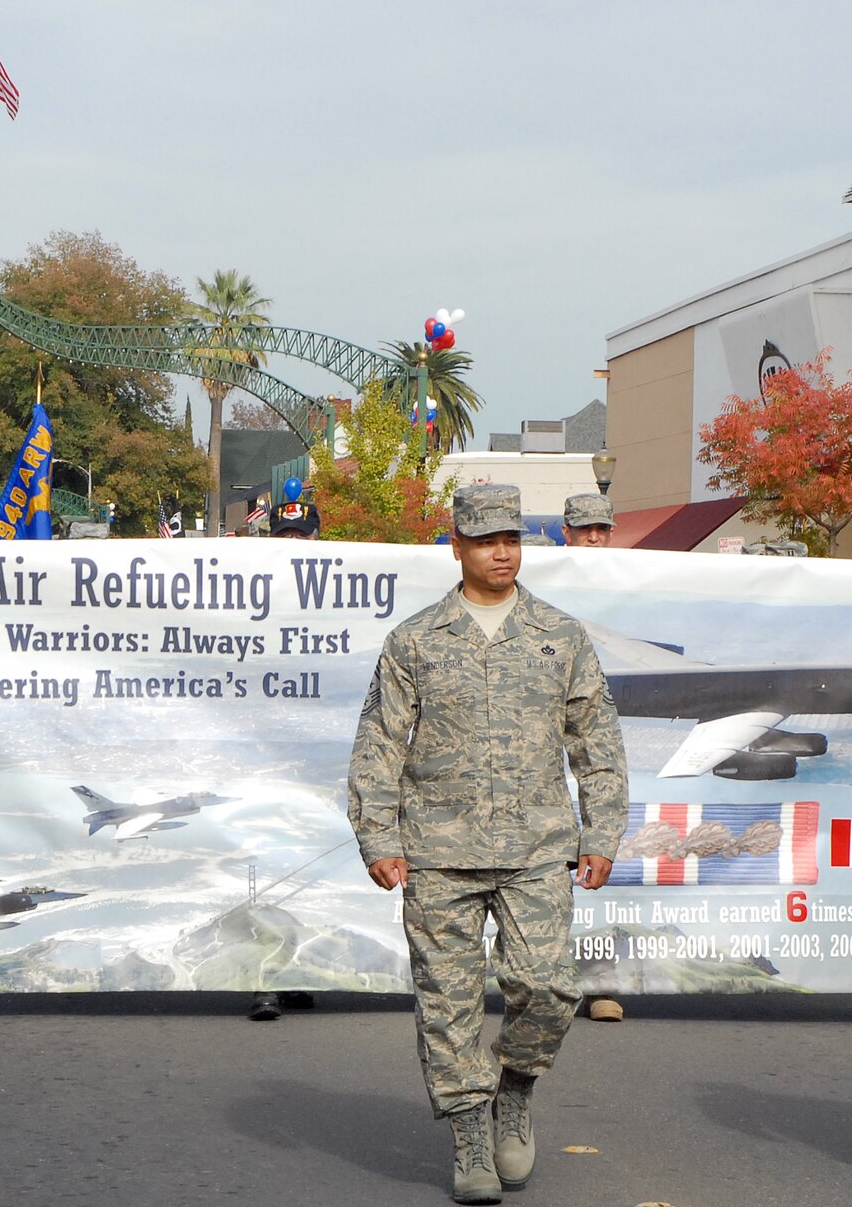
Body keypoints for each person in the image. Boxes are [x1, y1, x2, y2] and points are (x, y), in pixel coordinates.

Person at [347, 485, 629, 1204]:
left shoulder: (559, 635)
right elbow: (379, 747)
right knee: (447, 1003)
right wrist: (377, 836)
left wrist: (601, 831)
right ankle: (471, 1134)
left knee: (548, 987)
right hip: (438, 850)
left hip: (537, 848)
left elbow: (596, 743)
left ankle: (515, 1087)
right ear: (458, 547)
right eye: (485, 540)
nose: (501, 552)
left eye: (511, 538)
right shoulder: (414, 640)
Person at [245, 496, 323, 1022]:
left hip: (316, 757)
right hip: (265, 754)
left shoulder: (337, 597)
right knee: (265, 864)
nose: (292, 547)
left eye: (301, 538)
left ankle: (299, 973)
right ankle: (266, 981)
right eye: (284, 538)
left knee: (308, 867)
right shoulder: (250, 599)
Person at [557, 492, 626, 1025]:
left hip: (602, 734)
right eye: (585, 530)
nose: (594, 539)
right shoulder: (546, 585)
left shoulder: (629, 580)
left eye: (602, 529)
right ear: (566, 531)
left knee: (600, 865)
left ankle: (603, 986)